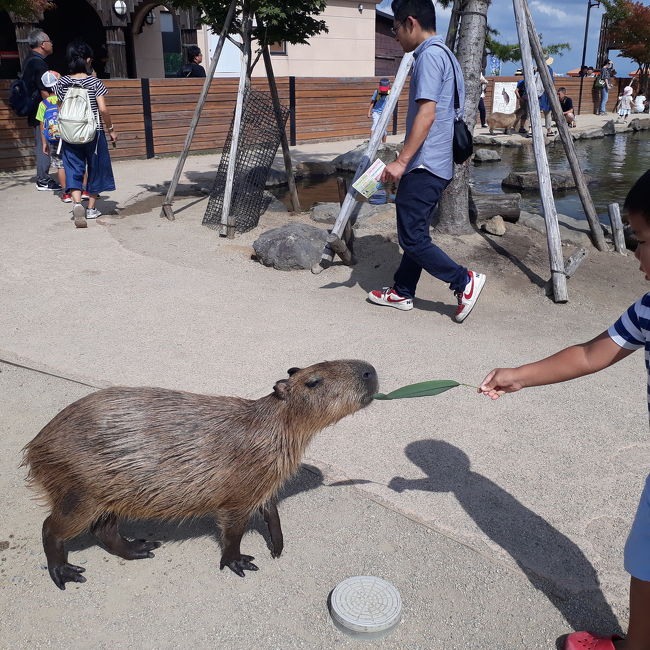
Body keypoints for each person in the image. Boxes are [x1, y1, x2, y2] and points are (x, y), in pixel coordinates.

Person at [479, 169, 650, 650]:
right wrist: (519, 374)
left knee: (647, 569)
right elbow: (591, 354)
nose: (634, 252)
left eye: (640, 240)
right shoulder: (648, 308)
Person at [368, 0, 486, 323]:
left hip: (425, 165)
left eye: (394, 27)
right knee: (416, 233)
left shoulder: (430, 57)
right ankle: (402, 290)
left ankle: (464, 281)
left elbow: (428, 113)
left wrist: (402, 162)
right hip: (438, 163)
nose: (394, 35)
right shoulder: (445, 55)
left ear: (410, 23)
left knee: (412, 238)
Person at [55, 40, 117, 228]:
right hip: (94, 133)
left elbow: (60, 109)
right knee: (95, 168)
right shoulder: (94, 82)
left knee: (73, 168)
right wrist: (112, 129)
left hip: (69, 133)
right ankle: (90, 209)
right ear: (88, 60)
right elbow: (103, 109)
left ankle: (76, 204)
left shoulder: (61, 83)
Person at [21, 29, 61, 192]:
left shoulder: (30, 60)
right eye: (50, 41)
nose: (52, 44)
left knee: (43, 142)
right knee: (45, 143)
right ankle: (43, 179)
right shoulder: (38, 63)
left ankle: (43, 177)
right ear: (43, 44)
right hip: (43, 111)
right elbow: (44, 89)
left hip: (36, 109)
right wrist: (54, 109)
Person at [35, 70, 69, 201]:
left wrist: (44, 143)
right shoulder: (64, 99)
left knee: (60, 165)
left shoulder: (43, 104)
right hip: (68, 136)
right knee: (77, 162)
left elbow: (42, 126)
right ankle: (83, 190)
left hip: (54, 140)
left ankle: (66, 193)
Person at [535, 55, 555, 137]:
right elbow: (551, 82)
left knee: (535, 112)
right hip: (546, 93)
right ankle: (549, 130)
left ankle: (530, 131)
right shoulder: (549, 69)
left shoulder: (536, 69)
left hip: (536, 92)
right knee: (548, 112)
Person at [367, 77, 392, 143]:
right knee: (375, 125)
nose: (383, 91)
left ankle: (384, 144)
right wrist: (369, 112)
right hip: (376, 111)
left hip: (385, 113)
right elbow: (372, 102)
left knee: (384, 130)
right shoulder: (377, 92)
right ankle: (372, 142)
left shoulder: (391, 92)